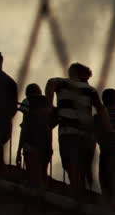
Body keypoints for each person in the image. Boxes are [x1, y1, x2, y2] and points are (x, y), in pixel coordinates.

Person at [45, 63, 109, 196]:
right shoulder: (90, 89)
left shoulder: (62, 82)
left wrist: (49, 106)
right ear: (81, 74)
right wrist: (108, 128)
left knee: (70, 162)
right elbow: (101, 108)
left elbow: (51, 83)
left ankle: (76, 189)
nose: (88, 80)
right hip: (87, 134)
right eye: (87, 76)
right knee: (82, 164)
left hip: (68, 130)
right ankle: (79, 188)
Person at [16, 84, 54, 188]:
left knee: (32, 175)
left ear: (27, 93)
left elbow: (25, 126)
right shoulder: (48, 103)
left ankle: (34, 195)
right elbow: (52, 123)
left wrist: (19, 149)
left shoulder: (28, 101)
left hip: (31, 141)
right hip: (46, 143)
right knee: (43, 174)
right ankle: (43, 196)